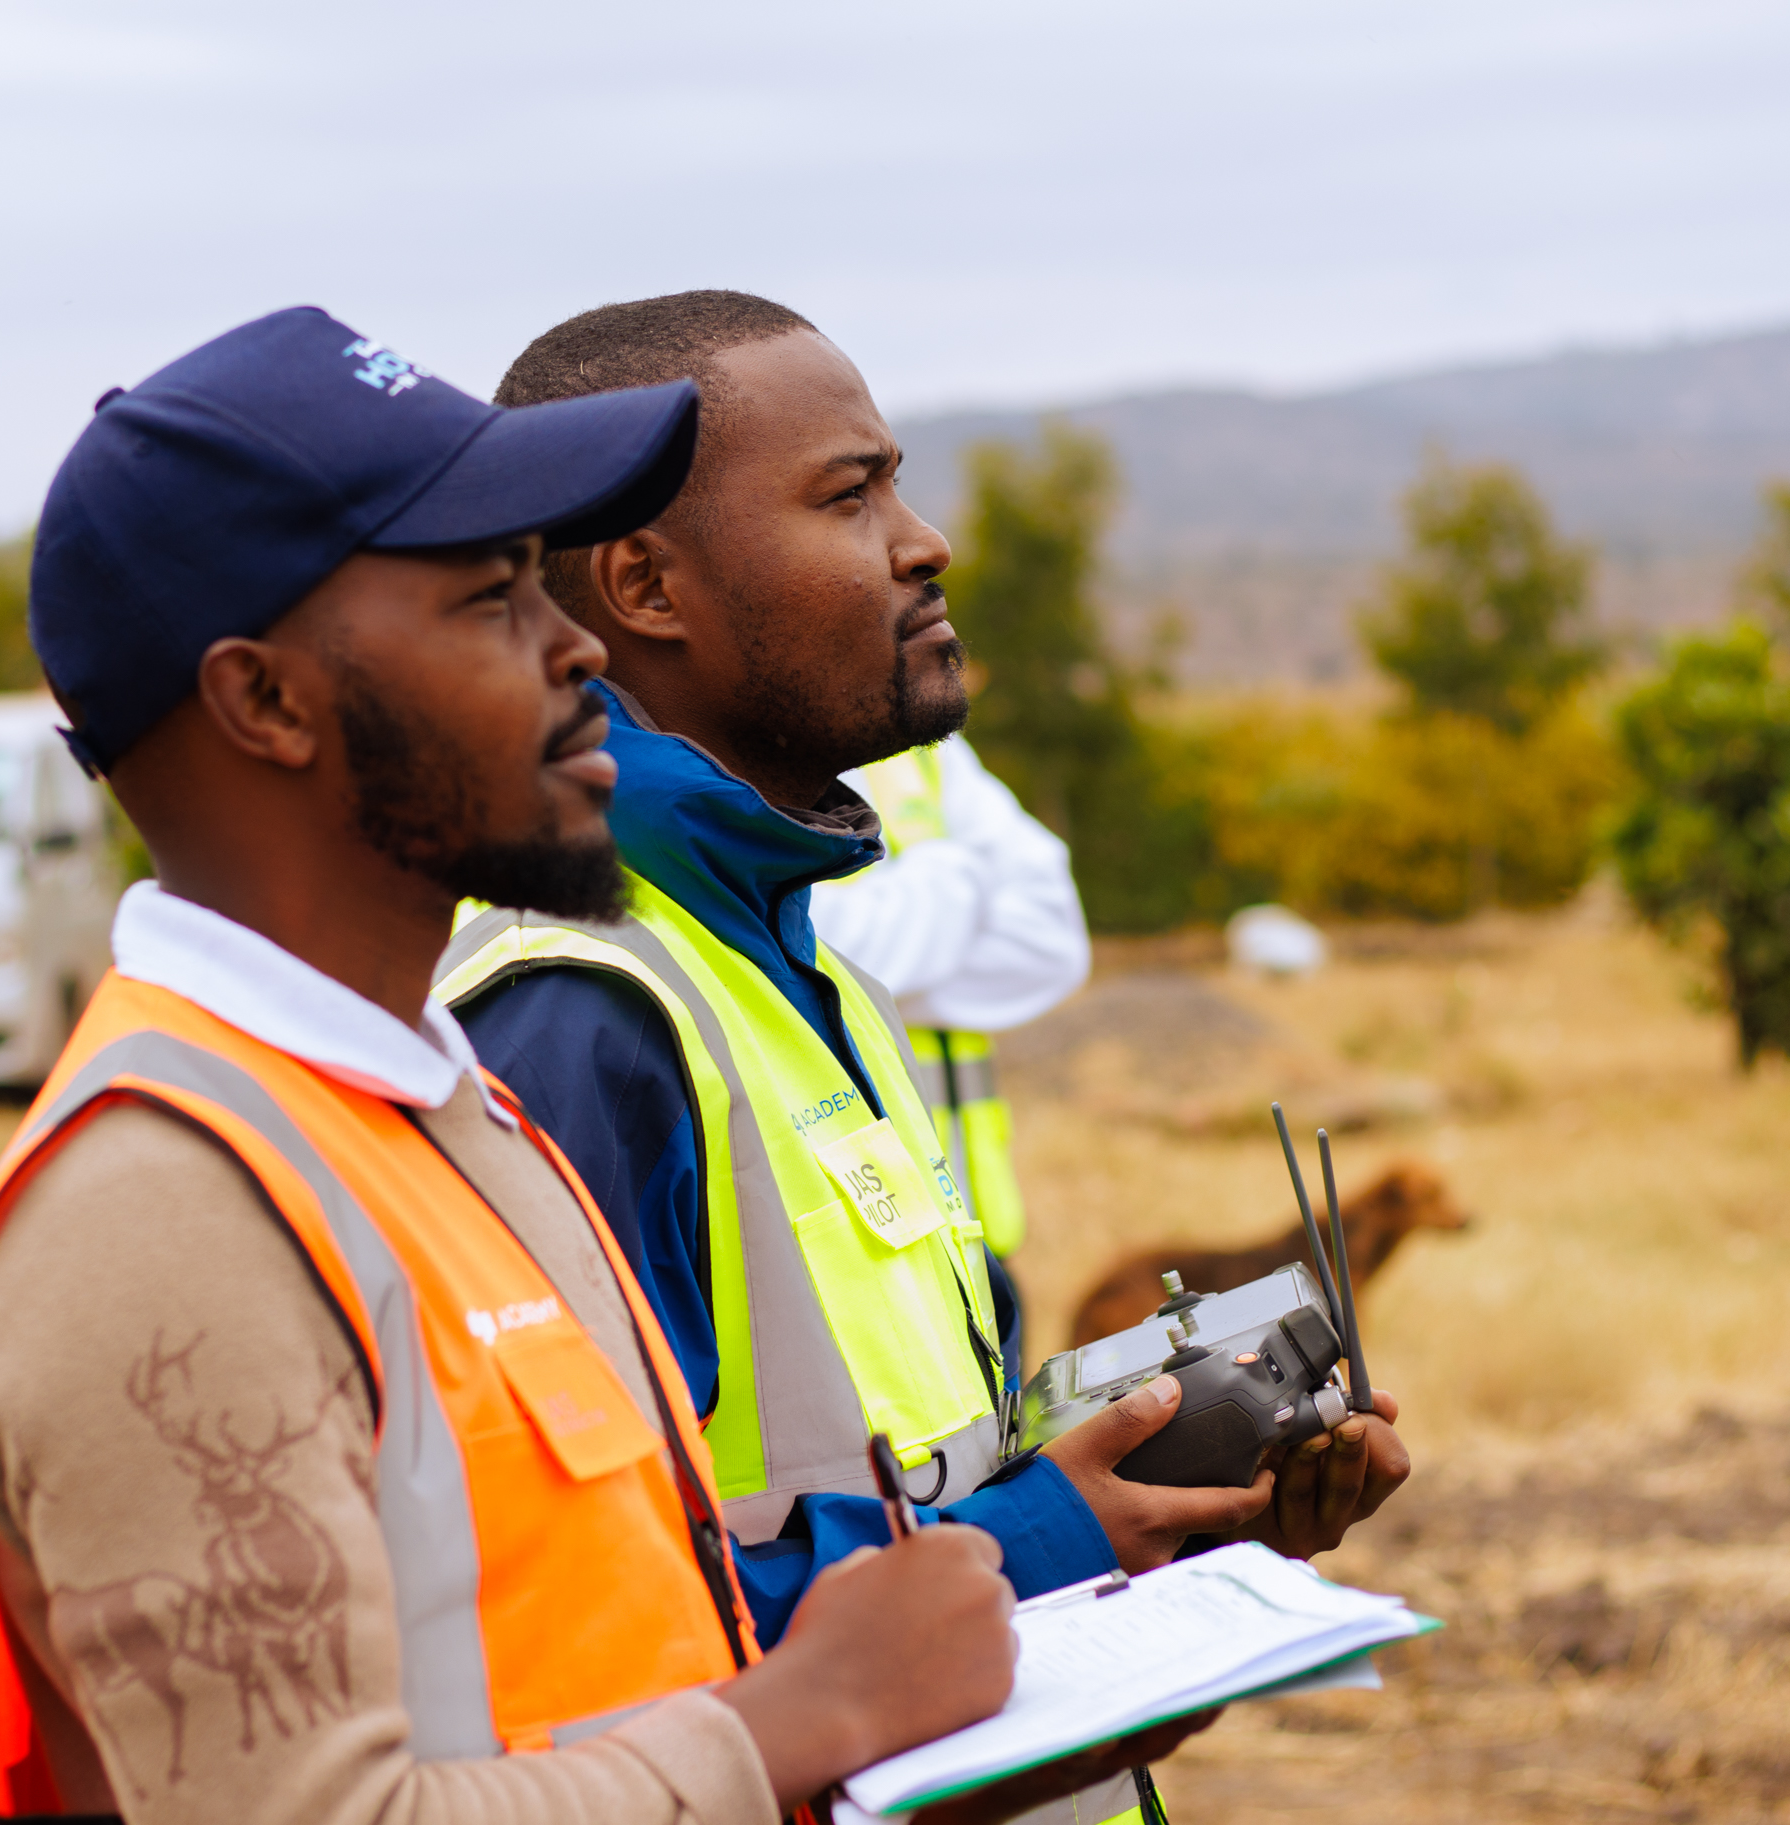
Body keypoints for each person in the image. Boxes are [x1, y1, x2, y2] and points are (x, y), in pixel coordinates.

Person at [0, 306, 1185, 1825]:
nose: (579, 646)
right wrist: (807, 1714)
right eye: (484, 598)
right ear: (265, 701)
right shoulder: (158, 1214)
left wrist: (1006, 1662)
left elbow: (622, 1641)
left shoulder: (453, 1119)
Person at [444, 294, 1412, 1821]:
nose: (923, 540)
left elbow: (920, 1464)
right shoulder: (578, 1014)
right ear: (643, 584)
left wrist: (1174, 1500)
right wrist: (1050, 1538)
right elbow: (584, 1626)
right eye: (849, 494)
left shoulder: (807, 961)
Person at [812, 733, 1088, 1361]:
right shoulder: (710, 720)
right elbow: (823, 945)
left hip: (980, 1244)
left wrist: (883, 967)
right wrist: (957, 872)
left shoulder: (926, 754)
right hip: (856, 1258)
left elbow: (1052, 944)